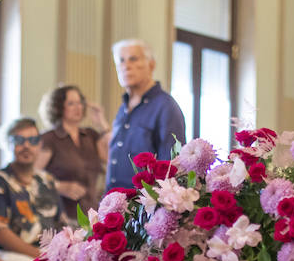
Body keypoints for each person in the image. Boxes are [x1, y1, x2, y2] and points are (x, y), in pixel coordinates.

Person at [106, 38, 186, 190]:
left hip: (143, 206)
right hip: (114, 204)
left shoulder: (166, 107)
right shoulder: (123, 108)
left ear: (151, 64)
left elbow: (172, 167)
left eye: (133, 59)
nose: (126, 66)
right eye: (121, 61)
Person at [0, 117, 63, 260]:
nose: (26, 146)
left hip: (49, 255)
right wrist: (41, 256)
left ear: (39, 145)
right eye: (19, 140)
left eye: (33, 141)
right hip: (12, 254)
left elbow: (61, 225)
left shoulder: (47, 181)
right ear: (8, 143)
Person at [36, 84, 109, 220]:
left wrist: (102, 124)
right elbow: (32, 176)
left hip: (92, 215)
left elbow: (114, 159)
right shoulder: (49, 138)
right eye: (71, 103)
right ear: (58, 107)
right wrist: (58, 186)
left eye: (80, 103)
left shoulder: (91, 135)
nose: (78, 107)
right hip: (61, 217)